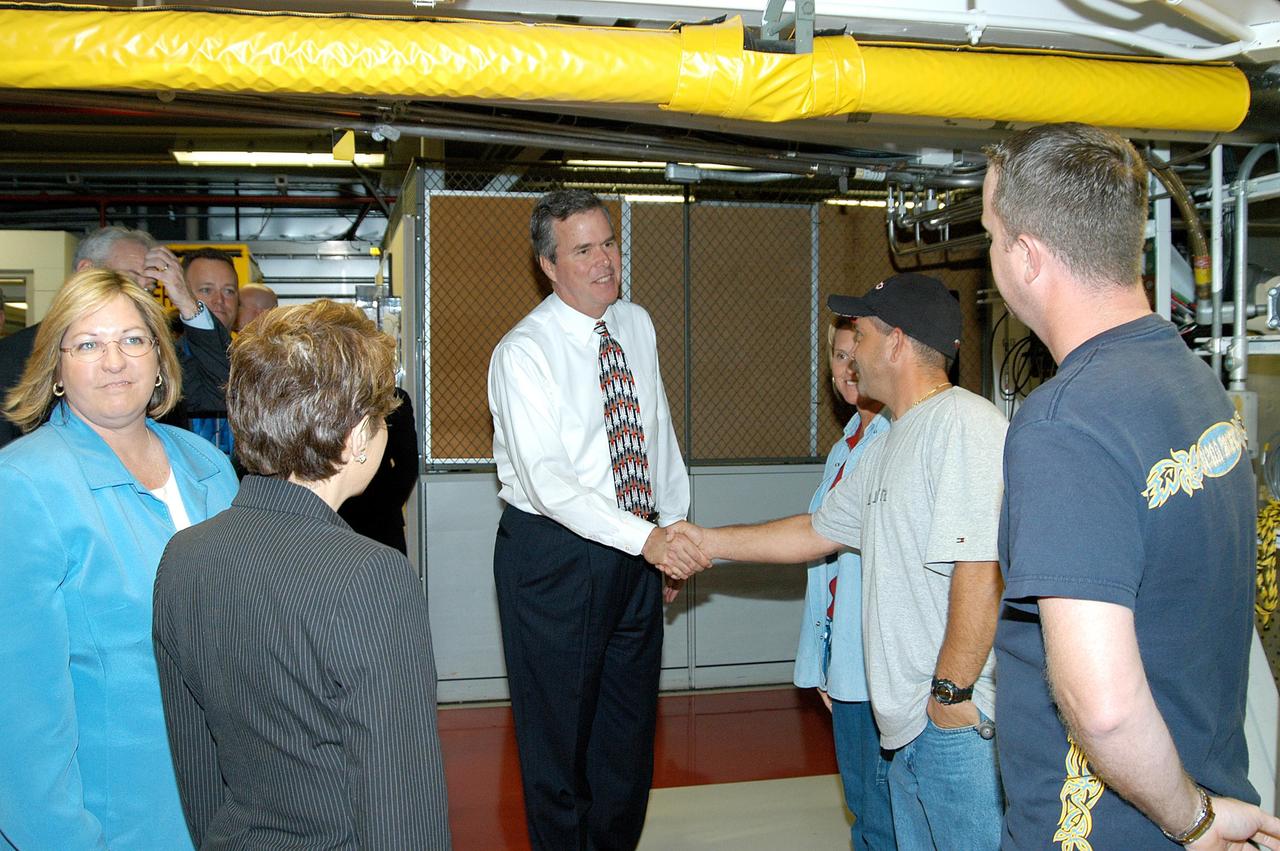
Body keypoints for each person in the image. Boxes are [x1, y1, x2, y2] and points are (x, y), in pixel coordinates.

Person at [986, 123, 1280, 850]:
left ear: (1027, 257)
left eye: (992, 235)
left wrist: (1195, 821)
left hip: (1113, 826)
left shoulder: (1065, 424)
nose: (991, 254)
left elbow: (1105, 706)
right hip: (1203, 783)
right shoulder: (1193, 382)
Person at [667, 273, 1008, 850]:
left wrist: (950, 698)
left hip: (950, 726)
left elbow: (982, 569)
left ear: (897, 342)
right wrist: (705, 540)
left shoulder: (964, 427)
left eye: (865, 334)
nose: (855, 354)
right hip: (907, 725)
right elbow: (814, 530)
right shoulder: (890, 443)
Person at [153, 300, 451, 850]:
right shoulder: (371, 577)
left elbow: (195, 765)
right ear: (359, 437)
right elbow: (401, 797)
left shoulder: (183, 556)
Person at [487, 189, 707, 850]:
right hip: (555, 556)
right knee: (559, 743)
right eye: (583, 249)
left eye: (608, 242)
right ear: (549, 265)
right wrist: (651, 538)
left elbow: (655, 427)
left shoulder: (635, 323)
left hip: (637, 545)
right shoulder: (523, 351)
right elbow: (548, 480)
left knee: (626, 734)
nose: (605, 259)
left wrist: (672, 529)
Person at [0, 269, 238, 849]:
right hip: (113, 818)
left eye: (133, 340)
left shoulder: (208, 467)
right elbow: (20, 715)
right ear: (55, 370)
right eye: (87, 344)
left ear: (160, 360)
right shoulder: (24, 485)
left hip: (229, 805)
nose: (115, 361)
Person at [795, 315, 894, 850]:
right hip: (849, 668)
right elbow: (829, 571)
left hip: (878, 672)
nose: (847, 366)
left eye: (858, 351)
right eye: (837, 354)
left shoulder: (891, 439)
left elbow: (816, 539)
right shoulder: (846, 445)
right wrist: (827, 663)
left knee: (878, 817)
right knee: (865, 808)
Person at [0, 226, 233, 448]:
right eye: (130, 280)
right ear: (86, 271)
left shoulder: (149, 352)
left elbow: (221, 391)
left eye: (148, 289)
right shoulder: (13, 357)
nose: (139, 297)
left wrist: (186, 301)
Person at [339, 386, 420, 554]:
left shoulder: (333, 394)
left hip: (357, 511)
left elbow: (408, 464)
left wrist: (388, 505)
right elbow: (408, 463)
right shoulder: (392, 398)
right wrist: (389, 505)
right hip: (380, 513)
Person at [182, 246, 240, 332]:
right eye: (206, 290)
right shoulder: (167, 345)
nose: (219, 300)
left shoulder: (251, 345)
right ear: (183, 295)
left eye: (229, 291)